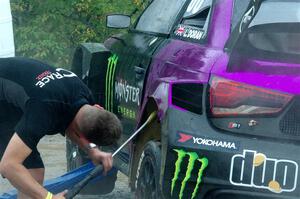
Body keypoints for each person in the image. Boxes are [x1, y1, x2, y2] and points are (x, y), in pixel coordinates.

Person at [0, 57, 122, 199]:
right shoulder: (43, 110)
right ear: (99, 107)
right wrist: (49, 197)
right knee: (22, 168)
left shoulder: (85, 98)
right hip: (6, 104)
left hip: (13, 100)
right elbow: (8, 165)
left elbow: (71, 123)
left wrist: (93, 150)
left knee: (34, 172)